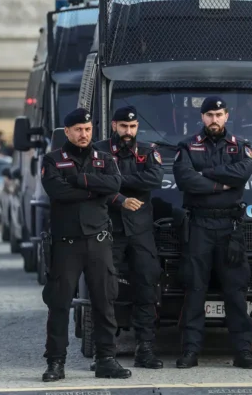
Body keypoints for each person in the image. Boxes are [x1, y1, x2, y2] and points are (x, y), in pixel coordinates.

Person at [40, 108, 130, 381]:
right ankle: (56, 362)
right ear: (67, 131)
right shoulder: (53, 159)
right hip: (66, 243)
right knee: (59, 303)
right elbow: (57, 191)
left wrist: (80, 181)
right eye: (78, 129)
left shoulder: (104, 158)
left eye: (88, 129)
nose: (84, 134)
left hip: (98, 241)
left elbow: (115, 184)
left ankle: (106, 359)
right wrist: (96, 191)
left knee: (104, 302)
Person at [173, 96, 252, 369]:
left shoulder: (240, 146)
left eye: (219, 114)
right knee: (195, 289)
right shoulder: (187, 146)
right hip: (199, 226)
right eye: (209, 114)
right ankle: (190, 350)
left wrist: (206, 174)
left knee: (235, 291)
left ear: (226, 116)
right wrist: (221, 184)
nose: (214, 119)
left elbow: (242, 174)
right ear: (202, 117)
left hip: (230, 227)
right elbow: (185, 179)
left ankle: (243, 351)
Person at [92, 106, 164, 369]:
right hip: (109, 229)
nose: (128, 131)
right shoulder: (98, 150)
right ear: (114, 126)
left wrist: (116, 180)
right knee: (104, 290)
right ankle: (105, 352)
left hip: (140, 231)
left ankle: (145, 349)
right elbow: (95, 184)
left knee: (147, 287)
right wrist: (121, 191)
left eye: (132, 127)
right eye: (124, 126)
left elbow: (154, 179)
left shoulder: (148, 151)